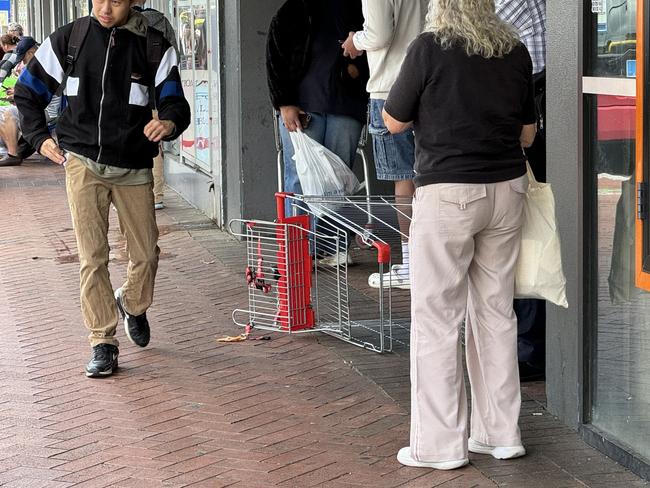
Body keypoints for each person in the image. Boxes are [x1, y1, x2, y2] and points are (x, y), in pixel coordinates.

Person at [383, 0, 536, 469]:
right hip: (508, 191)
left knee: (437, 319)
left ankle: (440, 446)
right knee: (495, 313)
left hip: (448, 195)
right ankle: (501, 433)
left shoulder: (428, 48)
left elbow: (393, 120)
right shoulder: (513, 50)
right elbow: (527, 134)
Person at [14, 0, 191, 378]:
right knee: (92, 257)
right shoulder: (70, 38)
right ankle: (102, 341)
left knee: (145, 254)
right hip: (81, 164)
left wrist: (170, 123)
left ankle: (132, 302)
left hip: (132, 166)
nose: (105, 8)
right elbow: (27, 92)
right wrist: (38, 136)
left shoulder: (153, 44)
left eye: (116, 1)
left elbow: (175, 100)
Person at [266, 0, 369, 266]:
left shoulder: (360, 7)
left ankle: (332, 247)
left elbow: (376, 44)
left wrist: (358, 71)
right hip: (302, 105)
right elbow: (275, 58)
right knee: (300, 179)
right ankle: (298, 250)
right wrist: (284, 103)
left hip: (345, 104)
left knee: (337, 180)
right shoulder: (293, 10)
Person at [341, 0, 427, 289]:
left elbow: (379, 34)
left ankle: (411, 265)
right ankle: (431, 261)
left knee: (404, 181)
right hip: (428, 84)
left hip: (390, 87)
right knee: (430, 176)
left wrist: (355, 41)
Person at [496, 0, 547, 381]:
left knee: (526, 235)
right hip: (537, 104)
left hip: (531, 109)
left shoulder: (508, 3)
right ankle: (527, 344)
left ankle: (528, 349)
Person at [132, 0, 180, 211]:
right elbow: (174, 55)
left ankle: (132, 195)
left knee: (132, 143)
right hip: (159, 94)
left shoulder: (121, 24)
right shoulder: (161, 20)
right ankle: (156, 195)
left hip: (132, 96)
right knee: (155, 144)